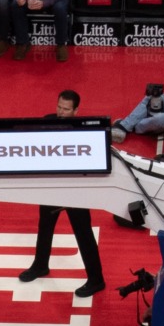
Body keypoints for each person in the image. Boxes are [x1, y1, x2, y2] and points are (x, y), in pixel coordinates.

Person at [13, 88, 106, 294]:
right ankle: (40, 265)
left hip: (75, 191)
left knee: (83, 233)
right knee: (45, 226)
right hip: (52, 186)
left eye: (66, 109)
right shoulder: (46, 121)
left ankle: (96, 279)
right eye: (59, 107)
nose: (61, 112)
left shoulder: (85, 130)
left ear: (76, 111)